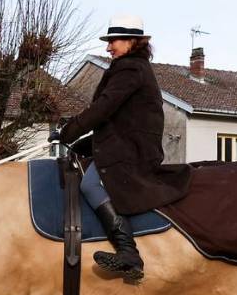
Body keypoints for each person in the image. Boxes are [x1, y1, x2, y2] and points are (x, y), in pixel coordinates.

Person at [60, 15, 191, 280]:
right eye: (109, 42)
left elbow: (104, 108)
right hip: (126, 143)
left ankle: (128, 251)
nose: (109, 48)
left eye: (114, 41)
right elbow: (116, 122)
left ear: (132, 41)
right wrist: (78, 143)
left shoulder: (130, 68)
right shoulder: (132, 67)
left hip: (132, 152)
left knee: (90, 185)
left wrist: (68, 131)